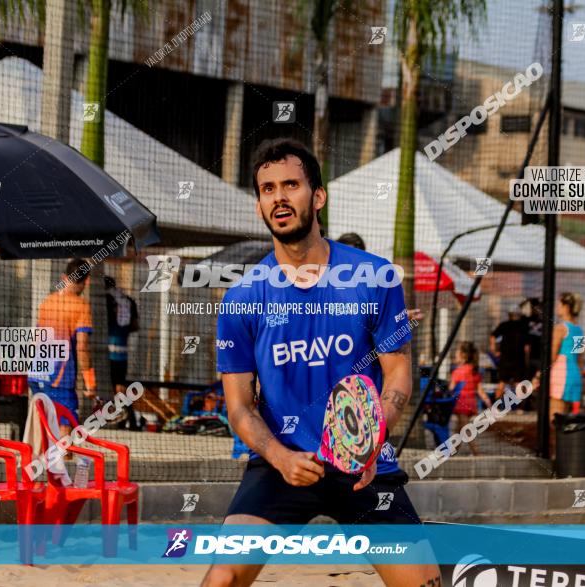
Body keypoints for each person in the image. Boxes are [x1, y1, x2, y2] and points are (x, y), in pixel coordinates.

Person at [203, 138, 440, 587]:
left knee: (425, 583)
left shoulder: (375, 278)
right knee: (222, 578)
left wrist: (371, 436)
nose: (279, 197)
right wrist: (277, 456)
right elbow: (239, 407)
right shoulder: (242, 299)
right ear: (259, 205)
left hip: (364, 466)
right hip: (283, 461)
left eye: (290, 185)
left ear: (317, 196)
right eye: (268, 189)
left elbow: (398, 373)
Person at [28, 258, 97, 432]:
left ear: (64, 277)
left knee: (43, 421)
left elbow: (36, 339)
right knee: (65, 425)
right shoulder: (81, 306)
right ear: (87, 281)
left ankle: (42, 458)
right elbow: (82, 347)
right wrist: (90, 382)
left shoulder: (47, 302)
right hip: (60, 377)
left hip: (36, 374)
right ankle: (64, 458)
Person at [104, 276, 140, 430]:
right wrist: (122, 331)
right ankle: (129, 419)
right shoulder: (128, 301)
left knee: (109, 386)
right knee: (120, 386)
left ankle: (116, 418)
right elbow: (135, 325)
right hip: (122, 351)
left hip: (106, 350)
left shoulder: (104, 299)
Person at [450, 341, 490, 456]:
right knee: (459, 430)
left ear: (463, 355)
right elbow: (480, 390)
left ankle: (477, 453)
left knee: (466, 430)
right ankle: (452, 453)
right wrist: (487, 401)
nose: (455, 354)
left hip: (460, 404)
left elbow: (451, 389)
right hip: (470, 404)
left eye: (457, 351)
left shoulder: (457, 372)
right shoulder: (474, 370)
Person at [550, 292, 585, 418]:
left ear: (566, 307)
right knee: (564, 417)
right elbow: (581, 358)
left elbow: (552, 356)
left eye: (559, 304)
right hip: (574, 374)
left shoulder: (560, 328)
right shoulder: (580, 330)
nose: (557, 307)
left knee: (554, 417)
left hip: (561, 373)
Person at [489, 306, 529, 399]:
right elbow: (527, 347)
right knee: (518, 383)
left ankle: (496, 405)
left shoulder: (504, 325)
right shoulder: (523, 327)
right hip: (518, 359)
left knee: (502, 382)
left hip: (505, 358)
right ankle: (520, 407)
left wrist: (494, 350)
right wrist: (527, 360)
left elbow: (492, 336)